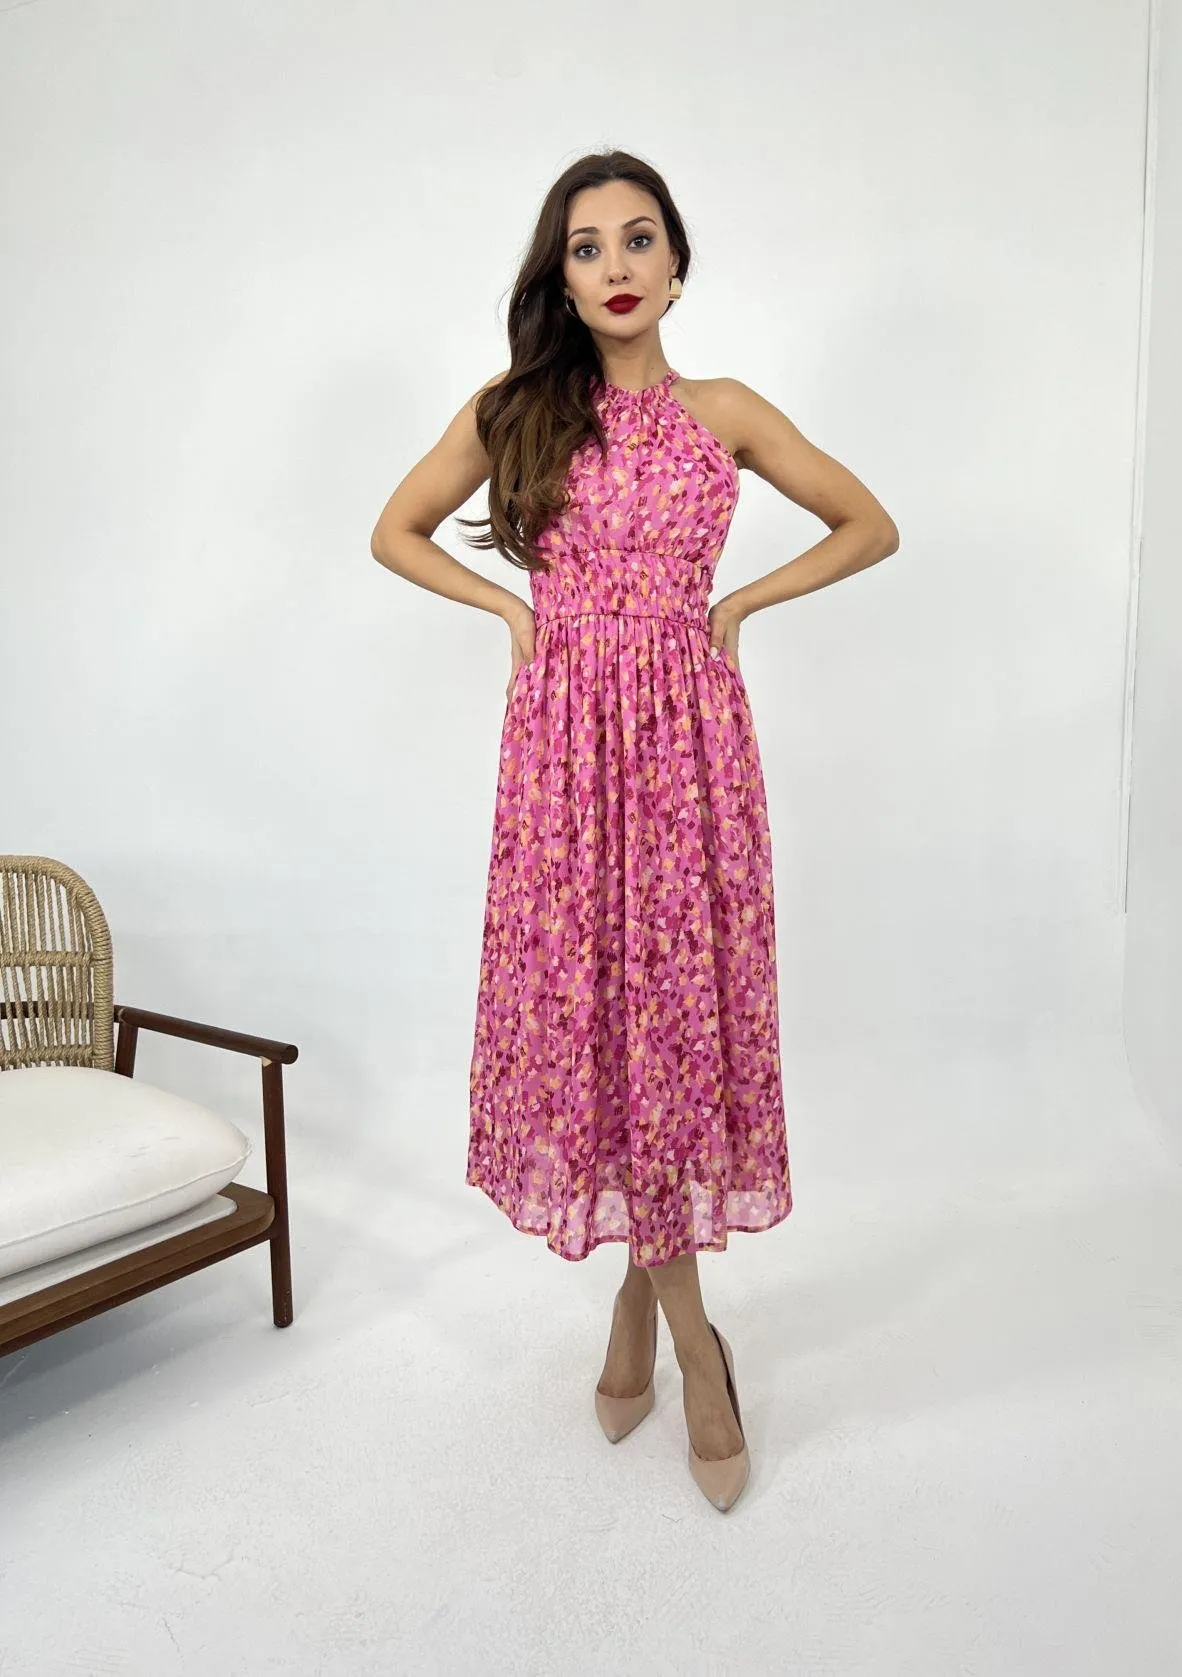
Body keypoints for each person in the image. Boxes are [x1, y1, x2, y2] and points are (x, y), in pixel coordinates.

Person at [370, 149, 898, 1513]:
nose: (614, 266)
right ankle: (687, 1338)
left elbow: (869, 524)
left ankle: (653, 1322)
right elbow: (395, 532)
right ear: (561, 279)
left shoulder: (724, 411)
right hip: (562, 755)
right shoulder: (514, 413)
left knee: (670, 1026)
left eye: (638, 239)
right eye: (587, 246)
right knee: (592, 1022)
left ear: (676, 265)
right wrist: (510, 611)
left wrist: (738, 606)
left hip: (688, 746)